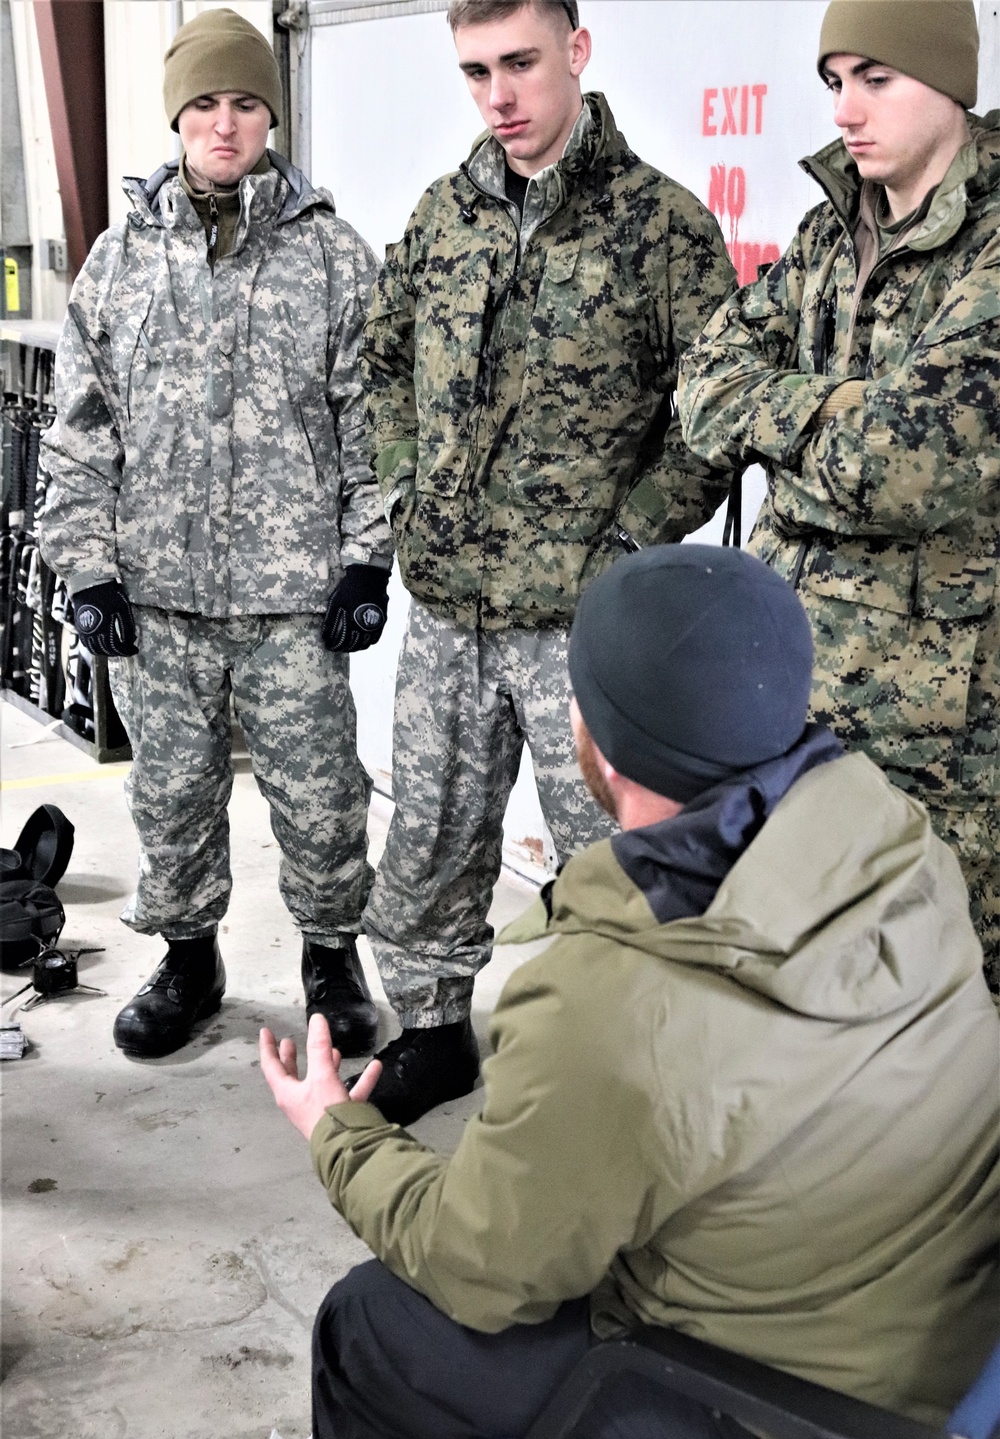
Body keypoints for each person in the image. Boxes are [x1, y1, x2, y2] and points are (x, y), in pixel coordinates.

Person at [261, 544, 1000, 1439]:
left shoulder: (612, 998)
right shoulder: (896, 842)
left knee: (369, 1329)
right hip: (943, 1342)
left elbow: (481, 1266)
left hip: (807, 1430)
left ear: (593, 744)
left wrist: (336, 1131)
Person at [356, 0, 737, 1123]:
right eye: (475, 72)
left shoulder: (661, 228)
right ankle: (433, 1030)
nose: (498, 98)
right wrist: (398, 489)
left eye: (519, 63)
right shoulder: (444, 216)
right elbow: (382, 359)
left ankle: (616, 1065)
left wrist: (628, 541)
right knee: (426, 837)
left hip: (585, 631)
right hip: (449, 614)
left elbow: (711, 415)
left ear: (577, 50)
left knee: (610, 869)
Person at [38, 9, 392, 1059]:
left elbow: (372, 425)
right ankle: (189, 956)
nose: (225, 122)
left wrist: (367, 554)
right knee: (172, 793)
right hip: (160, 596)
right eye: (205, 103)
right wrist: (88, 569)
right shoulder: (120, 260)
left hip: (293, 597)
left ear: (271, 115)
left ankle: (332, 958)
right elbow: (80, 429)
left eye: (245, 102)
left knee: (322, 792)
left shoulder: (330, 255)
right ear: (178, 116)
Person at [677, 0, 1000, 1000]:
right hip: (791, 686)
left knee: (942, 1004)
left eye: (875, 78)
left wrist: (783, 423)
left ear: (950, 83)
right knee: (802, 991)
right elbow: (701, 387)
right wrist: (837, 411)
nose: (846, 110)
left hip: (940, 725)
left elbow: (905, 466)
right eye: (833, 81)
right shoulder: (831, 229)